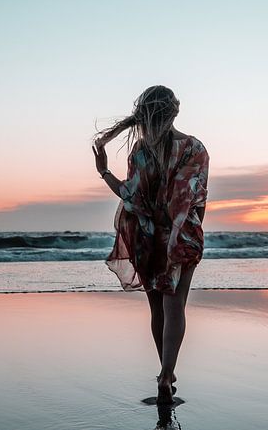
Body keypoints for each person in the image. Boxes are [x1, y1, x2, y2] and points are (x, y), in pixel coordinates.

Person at [91, 85, 209, 405]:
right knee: (175, 308)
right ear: (175, 111)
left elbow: (131, 197)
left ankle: (164, 374)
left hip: (148, 238)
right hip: (181, 238)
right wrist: (180, 237)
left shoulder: (141, 152)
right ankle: (166, 375)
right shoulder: (194, 149)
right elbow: (189, 201)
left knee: (157, 309)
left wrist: (103, 171)